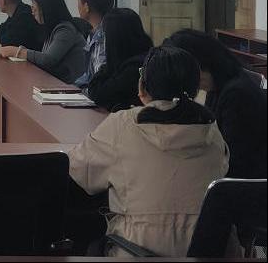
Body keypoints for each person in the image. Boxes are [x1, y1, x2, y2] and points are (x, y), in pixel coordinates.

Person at [69, 46, 229, 257]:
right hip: (208, 252)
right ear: (195, 87)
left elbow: (79, 172)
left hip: (138, 252)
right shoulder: (211, 129)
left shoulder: (123, 124)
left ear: (142, 85)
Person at [165, 29, 267, 179]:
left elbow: (233, 158)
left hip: (244, 181)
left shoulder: (237, 95)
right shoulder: (218, 85)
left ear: (198, 65)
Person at [0, 0, 86, 83]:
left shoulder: (65, 29)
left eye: (34, 7)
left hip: (70, 85)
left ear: (46, 9)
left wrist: (18, 52)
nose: (32, 11)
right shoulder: (50, 28)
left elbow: (48, 59)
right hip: (54, 81)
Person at [85, 8, 153, 112]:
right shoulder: (141, 56)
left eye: (105, 35)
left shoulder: (135, 68)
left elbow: (97, 93)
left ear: (114, 38)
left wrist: (107, 65)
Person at [74, 0, 113, 87]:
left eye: (78, 0)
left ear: (86, 7)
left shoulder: (102, 36)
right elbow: (87, 76)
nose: (77, 5)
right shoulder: (93, 32)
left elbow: (98, 81)